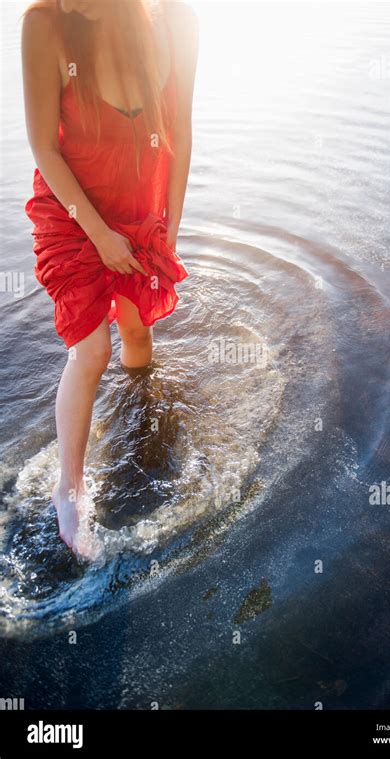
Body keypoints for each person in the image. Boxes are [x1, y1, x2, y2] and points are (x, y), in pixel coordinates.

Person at [21, 0, 199, 558]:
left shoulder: (178, 22)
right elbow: (44, 147)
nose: (68, 0)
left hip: (140, 208)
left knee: (140, 333)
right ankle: (68, 492)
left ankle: (140, 411)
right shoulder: (45, 24)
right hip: (72, 213)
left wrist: (169, 228)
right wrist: (98, 235)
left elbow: (182, 128)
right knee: (92, 348)